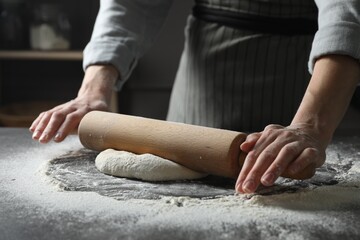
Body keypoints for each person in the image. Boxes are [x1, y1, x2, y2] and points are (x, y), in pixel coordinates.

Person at [29, 0, 360, 194]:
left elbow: (346, 13)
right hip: (206, 67)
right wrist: (93, 91)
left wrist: (310, 126)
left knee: (304, 186)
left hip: (313, 80)